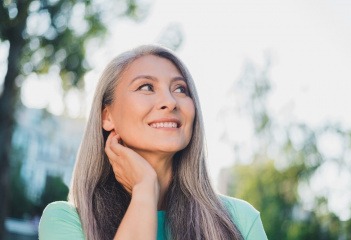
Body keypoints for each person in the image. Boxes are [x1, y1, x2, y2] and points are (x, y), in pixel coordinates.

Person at [38, 45, 268, 240]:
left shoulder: (240, 220)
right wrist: (145, 189)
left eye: (180, 89)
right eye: (146, 87)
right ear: (107, 116)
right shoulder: (66, 221)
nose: (170, 102)